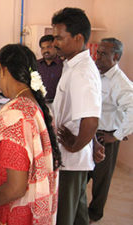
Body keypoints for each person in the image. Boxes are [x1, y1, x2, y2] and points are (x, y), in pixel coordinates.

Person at [0, 44, 62, 225]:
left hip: (11, 215)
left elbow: (15, 189)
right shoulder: (33, 105)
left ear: (3, 69)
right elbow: (14, 164)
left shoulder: (15, 115)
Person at [51, 8, 102, 225]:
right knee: (78, 213)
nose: (55, 43)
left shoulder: (81, 72)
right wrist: (93, 142)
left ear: (78, 38)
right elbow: (84, 112)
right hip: (73, 158)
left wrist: (76, 146)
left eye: (59, 38)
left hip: (71, 161)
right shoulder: (73, 66)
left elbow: (90, 119)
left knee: (65, 214)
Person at [88, 38, 133, 223]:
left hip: (105, 137)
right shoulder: (97, 74)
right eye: (98, 52)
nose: (98, 56)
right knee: (83, 175)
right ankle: (78, 211)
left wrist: (116, 135)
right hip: (89, 133)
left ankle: (94, 215)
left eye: (103, 53)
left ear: (116, 57)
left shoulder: (121, 83)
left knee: (101, 182)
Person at [37, 35, 63, 105]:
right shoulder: (36, 65)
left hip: (57, 105)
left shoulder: (63, 66)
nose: (46, 51)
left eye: (49, 47)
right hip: (39, 104)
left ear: (55, 47)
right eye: (43, 48)